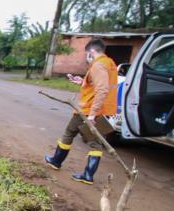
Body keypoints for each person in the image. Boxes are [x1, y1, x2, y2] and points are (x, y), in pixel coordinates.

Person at [44, 38, 118, 185]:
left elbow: (102, 90)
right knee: (95, 143)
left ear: (91, 52)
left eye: (87, 54)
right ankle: (87, 175)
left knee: (70, 133)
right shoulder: (109, 63)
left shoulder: (98, 66)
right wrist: (82, 81)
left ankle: (56, 161)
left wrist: (91, 115)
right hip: (101, 110)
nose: (86, 57)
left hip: (88, 111)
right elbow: (98, 84)